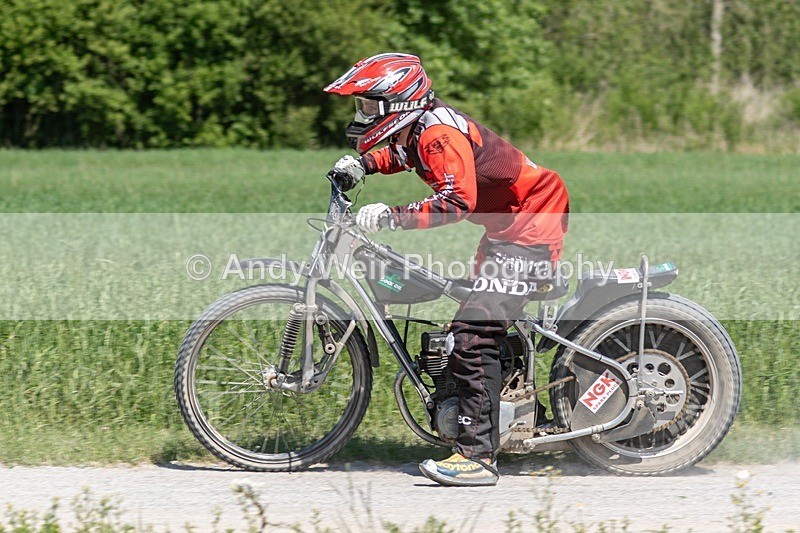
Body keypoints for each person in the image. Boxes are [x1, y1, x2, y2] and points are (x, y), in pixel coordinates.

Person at [324, 53, 569, 487]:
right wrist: (366, 164)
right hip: (510, 224)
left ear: (395, 102)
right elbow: (407, 155)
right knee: (478, 317)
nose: (360, 114)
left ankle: (477, 457)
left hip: (531, 222)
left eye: (366, 105)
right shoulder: (423, 129)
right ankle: (514, 412)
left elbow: (457, 202)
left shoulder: (438, 132)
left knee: (472, 333)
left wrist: (391, 216)